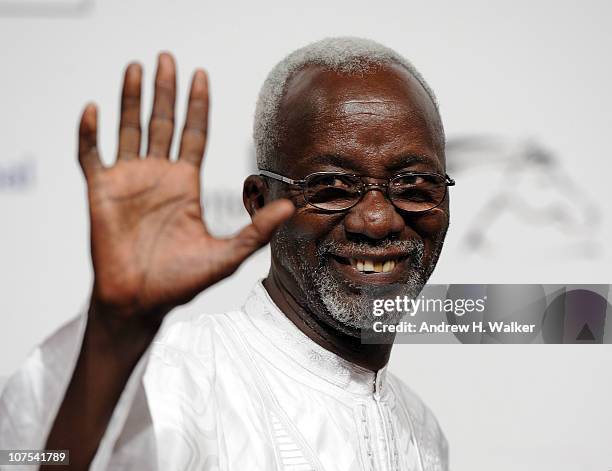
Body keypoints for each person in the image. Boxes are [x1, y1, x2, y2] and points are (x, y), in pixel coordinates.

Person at [0, 37, 453, 470]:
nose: (377, 219)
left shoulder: (423, 431)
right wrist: (114, 335)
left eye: (415, 186)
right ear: (258, 202)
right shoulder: (178, 382)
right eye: (331, 187)